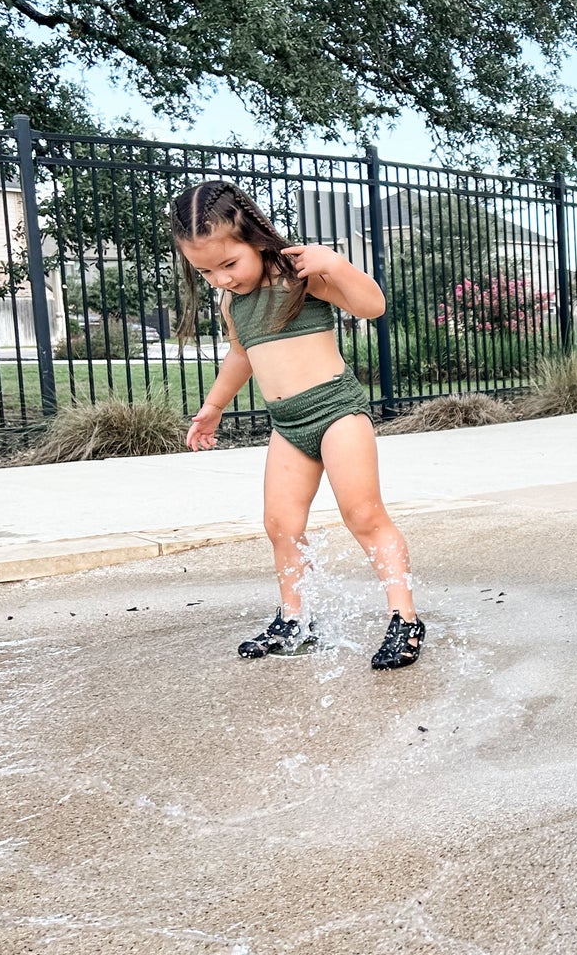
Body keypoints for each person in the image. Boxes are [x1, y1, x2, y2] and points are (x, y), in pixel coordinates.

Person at [171, 178, 425, 671]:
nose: (221, 279)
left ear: (256, 238)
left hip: (336, 411)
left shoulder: (301, 274)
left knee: (363, 516)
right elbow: (242, 354)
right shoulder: (232, 302)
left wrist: (335, 263)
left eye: (229, 264)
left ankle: (405, 619)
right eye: (205, 271)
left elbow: (372, 306)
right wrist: (215, 406)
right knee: (280, 524)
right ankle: (296, 620)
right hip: (287, 424)